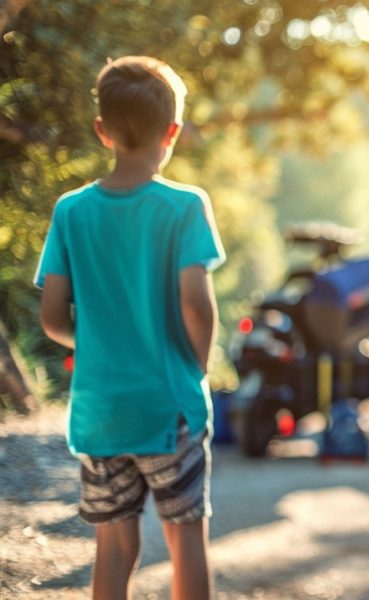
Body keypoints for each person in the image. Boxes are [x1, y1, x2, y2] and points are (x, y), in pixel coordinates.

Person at [35, 56, 222, 600]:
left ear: (102, 130)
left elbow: (52, 318)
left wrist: (98, 343)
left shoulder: (71, 211)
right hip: (169, 407)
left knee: (115, 548)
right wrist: (197, 363)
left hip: (100, 413)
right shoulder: (185, 206)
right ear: (173, 132)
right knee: (186, 540)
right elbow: (196, 304)